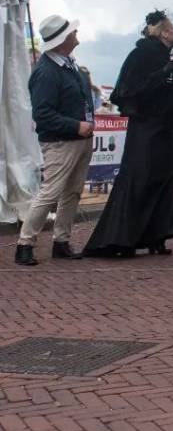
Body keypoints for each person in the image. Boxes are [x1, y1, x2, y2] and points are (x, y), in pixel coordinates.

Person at [84, 10, 173, 258]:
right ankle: (124, 238)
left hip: (164, 128)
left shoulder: (167, 57)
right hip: (146, 128)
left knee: (165, 179)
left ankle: (157, 236)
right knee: (142, 178)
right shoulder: (141, 54)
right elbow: (129, 90)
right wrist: (164, 74)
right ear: (164, 33)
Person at [15, 15, 94, 266]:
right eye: (73, 34)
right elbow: (43, 114)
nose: (77, 38)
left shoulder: (65, 65)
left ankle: (61, 240)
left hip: (77, 138)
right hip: (61, 141)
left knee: (71, 192)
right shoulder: (47, 72)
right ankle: (25, 243)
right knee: (50, 193)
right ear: (63, 41)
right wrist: (76, 125)